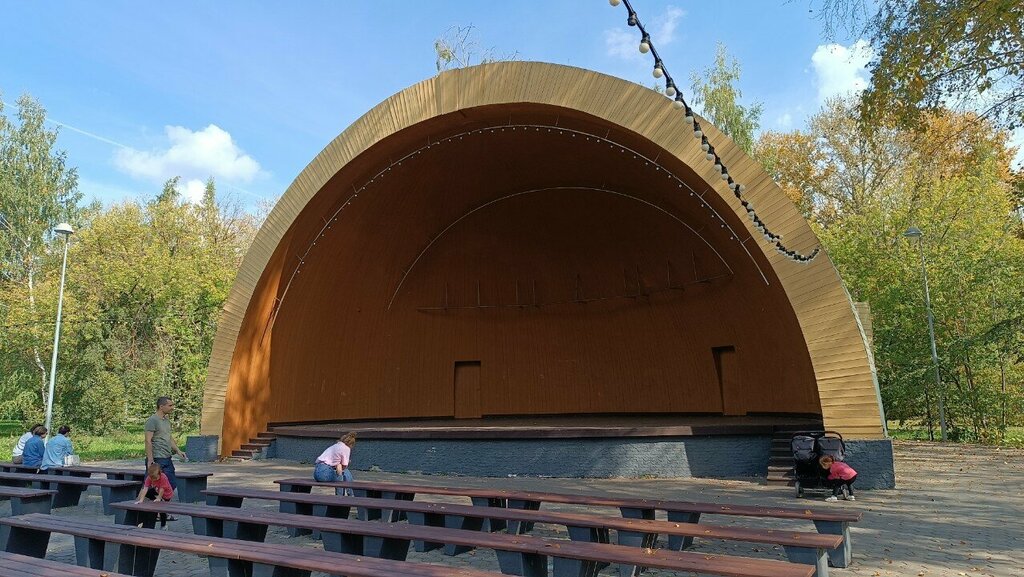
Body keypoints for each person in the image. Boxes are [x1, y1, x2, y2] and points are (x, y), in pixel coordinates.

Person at [144, 397, 188, 495]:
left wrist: (178, 451)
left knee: (171, 483)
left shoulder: (166, 420)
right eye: (170, 405)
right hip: (157, 458)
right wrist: (150, 459)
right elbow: (147, 440)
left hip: (167, 457)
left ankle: (158, 500)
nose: (172, 408)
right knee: (150, 485)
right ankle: (143, 501)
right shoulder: (152, 420)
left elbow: (169, 437)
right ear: (161, 406)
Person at [134, 462, 174, 528]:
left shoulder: (163, 477)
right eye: (152, 478)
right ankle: (141, 522)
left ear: (160, 474)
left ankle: (163, 525)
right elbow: (145, 488)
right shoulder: (149, 477)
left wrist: (159, 498)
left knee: (162, 510)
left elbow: (162, 489)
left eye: (155, 478)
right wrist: (141, 500)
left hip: (166, 495)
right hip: (157, 491)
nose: (153, 480)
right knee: (148, 492)